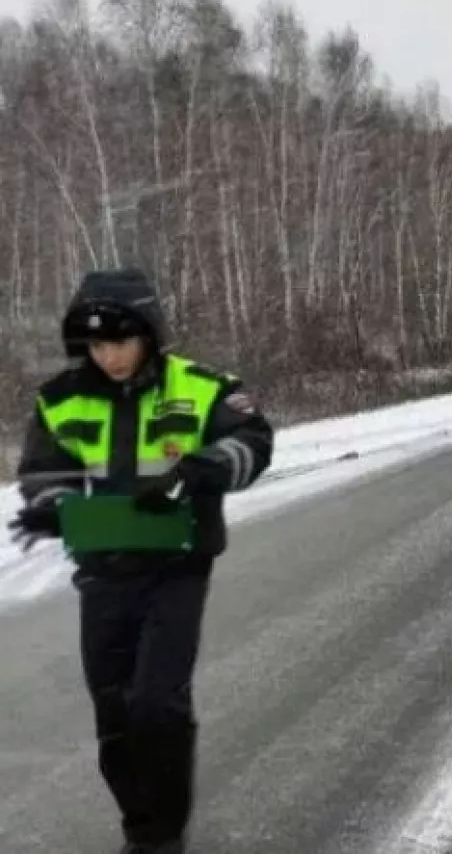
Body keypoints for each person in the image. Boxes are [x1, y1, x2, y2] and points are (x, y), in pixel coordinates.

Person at [8, 269, 274, 854]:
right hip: (103, 572)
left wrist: (204, 469)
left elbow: (253, 439)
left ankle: (163, 835)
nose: (111, 356)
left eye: (121, 341)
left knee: (157, 702)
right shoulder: (60, 397)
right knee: (114, 710)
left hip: (176, 567)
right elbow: (43, 471)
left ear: (151, 333)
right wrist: (53, 508)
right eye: (97, 345)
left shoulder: (202, 387)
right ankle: (140, 824)